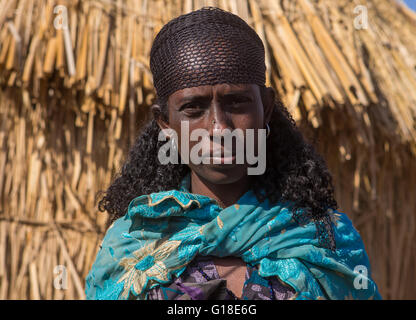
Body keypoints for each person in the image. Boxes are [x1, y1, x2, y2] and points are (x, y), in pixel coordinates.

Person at [85, 7, 381, 300]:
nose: (219, 128)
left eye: (236, 103)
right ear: (166, 124)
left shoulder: (327, 242)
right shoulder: (130, 249)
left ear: (265, 108)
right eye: (194, 109)